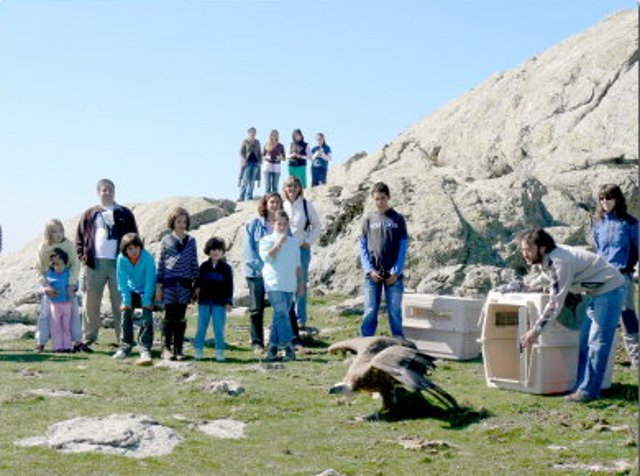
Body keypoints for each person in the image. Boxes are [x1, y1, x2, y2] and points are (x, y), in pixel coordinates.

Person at [519, 229, 626, 403]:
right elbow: (548, 277)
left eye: (528, 250)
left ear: (543, 248)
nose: (525, 254)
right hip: (595, 293)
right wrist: (526, 284)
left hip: (610, 290)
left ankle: (588, 391)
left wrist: (536, 331)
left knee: (597, 343)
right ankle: (581, 387)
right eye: (523, 250)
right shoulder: (550, 259)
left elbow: (555, 302)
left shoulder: (561, 261)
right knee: (584, 342)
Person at [76, 179, 138, 347]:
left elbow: (134, 237)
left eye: (110, 190)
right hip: (94, 264)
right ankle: (89, 337)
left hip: (119, 264)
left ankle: (124, 339)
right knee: (91, 302)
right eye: (104, 190)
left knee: (121, 301)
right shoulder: (89, 214)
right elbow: (80, 238)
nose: (107, 192)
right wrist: (83, 257)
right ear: (98, 192)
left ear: (114, 192)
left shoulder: (124, 213)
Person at [593, 184, 639, 369]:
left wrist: (627, 267)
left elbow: (636, 250)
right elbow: (598, 249)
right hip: (602, 277)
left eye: (608, 198)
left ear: (617, 199)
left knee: (627, 318)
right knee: (601, 319)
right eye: (602, 198)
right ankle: (602, 362)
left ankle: (637, 361)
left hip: (622, 276)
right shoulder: (598, 224)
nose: (605, 202)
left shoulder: (631, 223)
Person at [359, 182, 408, 337]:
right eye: (376, 199)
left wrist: (396, 271)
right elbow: (362, 247)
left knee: (394, 311)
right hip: (372, 275)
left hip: (393, 275)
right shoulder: (368, 219)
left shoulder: (398, 219)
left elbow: (403, 247)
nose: (380, 202)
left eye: (383, 198)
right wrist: (369, 270)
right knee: (370, 310)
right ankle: (365, 343)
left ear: (388, 198)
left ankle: (399, 342)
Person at [35, 219, 86, 352]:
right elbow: (39, 269)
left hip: (67, 283)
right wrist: (46, 286)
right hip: (51, 284)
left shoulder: (68, 244)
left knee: (74, 313)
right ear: (48, 233)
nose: (58, 234)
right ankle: (41, 342)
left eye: (60, 230)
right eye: (54, 231)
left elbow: (75, 265)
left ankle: (77, 342)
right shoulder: (43, 246)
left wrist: (71, 284)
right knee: (45, 314)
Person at [259, 210, 303, 362]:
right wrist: (279, 244)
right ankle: (289, 347)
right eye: (279, 224)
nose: (282, 227)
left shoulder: (294, 243)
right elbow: (266, 257)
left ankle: (272, 348)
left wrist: (301, 283)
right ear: (273, 224)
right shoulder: (266, 240)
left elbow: (298, 265)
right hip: (273, 283)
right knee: (282, 313)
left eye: (285, 224)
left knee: (279, 316)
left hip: (289, 284)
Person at [156, 207, 199, 361]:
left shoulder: (191, 241)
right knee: (169, 315)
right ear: (172, 222)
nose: (181, 224)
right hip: (169, 284)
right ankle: (166, 348)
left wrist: (197, 285)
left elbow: (194, 263)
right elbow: (161, 263)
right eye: (178, 221)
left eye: (184, 221)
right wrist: (158, 285)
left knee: (181, 316)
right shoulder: (166, 240)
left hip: (186, 285)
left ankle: (178, 348)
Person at [243, 193, 284, 352]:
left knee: (280, 307)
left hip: (278, 272)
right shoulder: (254, 225)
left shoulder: (283, 224)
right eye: (272, 202)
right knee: (256, 308)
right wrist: (261, 268)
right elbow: (249, 250)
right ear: (265, 204)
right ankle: (257, 342)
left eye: (278, 202)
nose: (274, 205)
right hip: (257, 273)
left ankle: (278, 339)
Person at [282, 176, 322, 342]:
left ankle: (301, 319)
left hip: (301, 249)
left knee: (300, 285)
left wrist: (308, 241)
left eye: (295, 186)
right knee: (285, 284)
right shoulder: (282, 205)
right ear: (285, 188)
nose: (292, 189)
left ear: (299, 188)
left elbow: (317, 225)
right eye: (289, 186)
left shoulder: (306, 205)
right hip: (284, 250)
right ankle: (285, 316)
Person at [114, 233, 156, 365]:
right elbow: (122, 280)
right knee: (126, 313)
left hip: (147, 290)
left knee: (147, 317)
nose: (133, 251)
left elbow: (151, 279)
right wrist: (126, 301)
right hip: (131, 290)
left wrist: (147, 300)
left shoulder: (148, 258)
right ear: (125, 249)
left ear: (140, 247)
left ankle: (144, 348)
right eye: (130, 248)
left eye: (136, 247)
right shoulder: (121, 258)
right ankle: (125, 346)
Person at [193, 237, 234, 362]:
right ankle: (198, 350)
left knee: (218, 327)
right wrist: (194, 296)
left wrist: (228, 301)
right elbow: (197, 283)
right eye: (213, 249)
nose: (216, 252)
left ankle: (219, 351)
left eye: (219, 249)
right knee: (201, 326)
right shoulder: (204, 266)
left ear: (222, 251)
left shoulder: (226, 268)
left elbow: (229, 286)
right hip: (204, 302)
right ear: (208, 251)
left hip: (219, 303)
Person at [45, 248, 75, 352]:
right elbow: (43, 287)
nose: (59, 267)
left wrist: (73, 289)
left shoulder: (69, 274)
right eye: (57, 265)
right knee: (56, 325)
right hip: (55, 304)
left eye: (62, 264)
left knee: (66, 325)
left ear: (65, 264)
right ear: (52, 265)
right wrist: (48, 290)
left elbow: (74, 284)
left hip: (67, 303)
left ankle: (67, 346)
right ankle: (57, 346)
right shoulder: (49, 274)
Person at [238, 127, 262, 201]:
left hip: (255, 163)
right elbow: (241, 153)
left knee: (252, 181)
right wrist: (243, 160)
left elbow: (259, 153)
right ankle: (241, 196)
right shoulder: (245, 142)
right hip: (247, 163)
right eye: (251, 133)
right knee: (245, 179)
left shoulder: (257, 142)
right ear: (248, 133)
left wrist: (260, 161)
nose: (253, 134)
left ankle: (249, 196)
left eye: (254, 133)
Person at [262, 129, 286, 194]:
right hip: (267, 165)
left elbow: (284, 158)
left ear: (277, 136)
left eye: (275, 135)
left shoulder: (281, 146)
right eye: (272, 135)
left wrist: (280, 157)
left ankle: (275, 198)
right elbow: (262, 156)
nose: (273, 136)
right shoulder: (266, 145)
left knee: (275, 186)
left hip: (277, 166)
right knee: (267, 185)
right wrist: (266, 157)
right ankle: (267, 199)